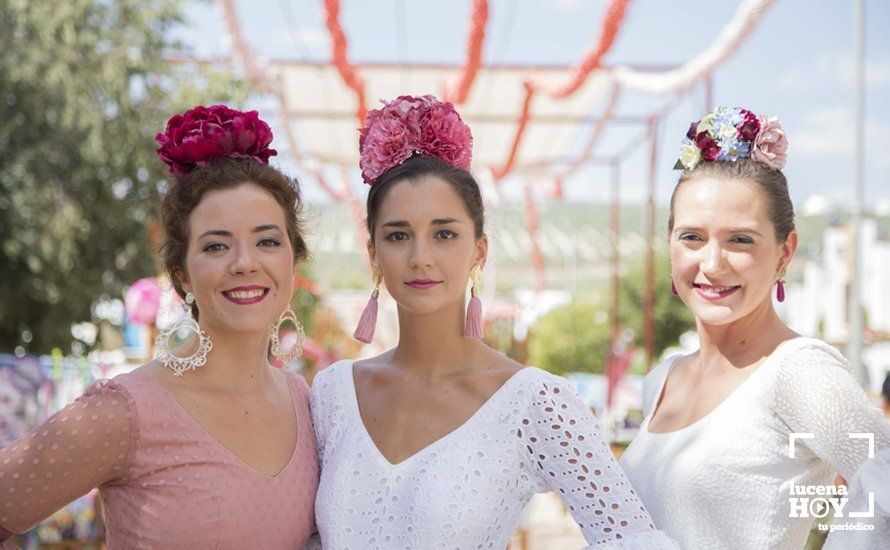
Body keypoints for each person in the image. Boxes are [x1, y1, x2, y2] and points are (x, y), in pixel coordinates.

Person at [308, 95, 677, 549]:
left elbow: (633, 539)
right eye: (398, 235)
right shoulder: (332, 394)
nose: (421, 257)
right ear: (374, 255)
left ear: (479, 250)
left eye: (445, 234)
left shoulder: (535, 402)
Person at [0, 105, 318, 547]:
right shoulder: (128, 411)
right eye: (216, 245)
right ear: (182, 274)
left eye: (267, 241)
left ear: (293, 259)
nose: (245, 263)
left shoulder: (306, 403)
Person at [619, 106, 890, 549]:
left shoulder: (801, 374)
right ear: (670, 243)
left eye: (740, 239)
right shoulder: (662, 379)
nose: (712, 263)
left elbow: (884, 482)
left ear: (785, 251)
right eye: (692, 237)